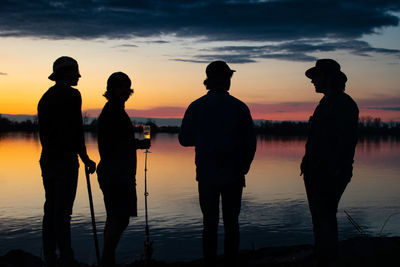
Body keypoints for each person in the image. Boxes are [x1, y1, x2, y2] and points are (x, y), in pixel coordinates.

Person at [179, 61, 257, 266]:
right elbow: (250, 143)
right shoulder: (239, 107)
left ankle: (210, 262)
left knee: (209, 223)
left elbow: (184, 140)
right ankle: (231, 262)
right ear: (226, 80)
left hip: (206, 175)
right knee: (232, 223)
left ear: (208, 81)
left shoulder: (196, 106)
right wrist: (244, 166)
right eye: (229, 77)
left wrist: (205, 139)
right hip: (234, 175)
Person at [38, 56, 96, 267]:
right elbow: (75, 129)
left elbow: (44, 133)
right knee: (63, 212)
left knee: (51, 208)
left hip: (48, 160)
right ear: (67, 73)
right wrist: (85, 157)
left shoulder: (45, 97)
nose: (78, 76)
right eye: (75, 72)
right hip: (65, 161)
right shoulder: (72, 94)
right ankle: (66, 256)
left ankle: (49, 255)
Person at [300, 59, 359, 265]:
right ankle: (323, 253)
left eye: (316, 77)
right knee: (320, 214)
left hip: (329, 171)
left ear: (328, 78)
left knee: (324, 214)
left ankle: (326, 257)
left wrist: (335, 168)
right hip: (319, 170)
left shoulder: (342, 104)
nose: (313, 81)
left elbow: (343, 141)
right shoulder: (328, 102)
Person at [96, 72, 150, 267]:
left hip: (116, 172)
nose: (125, 91)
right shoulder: (113, 111)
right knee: (120, 219)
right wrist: (138, 143)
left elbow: (121, 142)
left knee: (115, 217)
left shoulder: (115, 110)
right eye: (120, 87)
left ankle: (107, 259)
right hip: (116, 173)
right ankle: (107, 260)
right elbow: (116, 145)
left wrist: (140, 143)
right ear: (111, 89)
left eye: (127, 88)